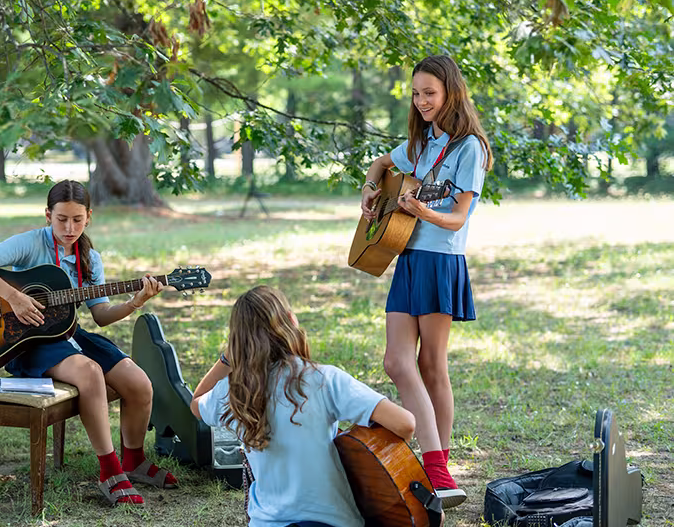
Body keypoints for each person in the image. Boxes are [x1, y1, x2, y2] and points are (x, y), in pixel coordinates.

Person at [0, 179, 177, 506]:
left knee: (139, 383)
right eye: (61, 219)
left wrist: (135, 302)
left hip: (68, 333)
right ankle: (109, 471)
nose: (69, 227)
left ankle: (133, 460)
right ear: (47, 215)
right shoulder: (30, 243)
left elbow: (101, 314)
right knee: (90, 372)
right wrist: (15, 297)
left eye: (77, 219)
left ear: (88, 217)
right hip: (27, 340)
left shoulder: (90, 257)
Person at [360, 55, 493, 509]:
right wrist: (371, 184)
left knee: (433, 365)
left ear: (450, 91)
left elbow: (457, 218)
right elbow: (381, 163)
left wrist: (424, 211)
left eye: (429, 93)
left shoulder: (468, 148)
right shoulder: (423, 141)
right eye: (416, 94)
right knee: (397, 361)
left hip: (440, 260)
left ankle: (438, 470)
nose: (421, 102)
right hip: (406, 256)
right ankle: (436, 467)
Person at [190, 285, 418, 527]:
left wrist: (227, 358)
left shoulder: (233, 390)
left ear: (237, 342)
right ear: (291, 320)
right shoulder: (324, 379)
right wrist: (353, 445)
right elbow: (405, 424)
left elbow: (197, 403)